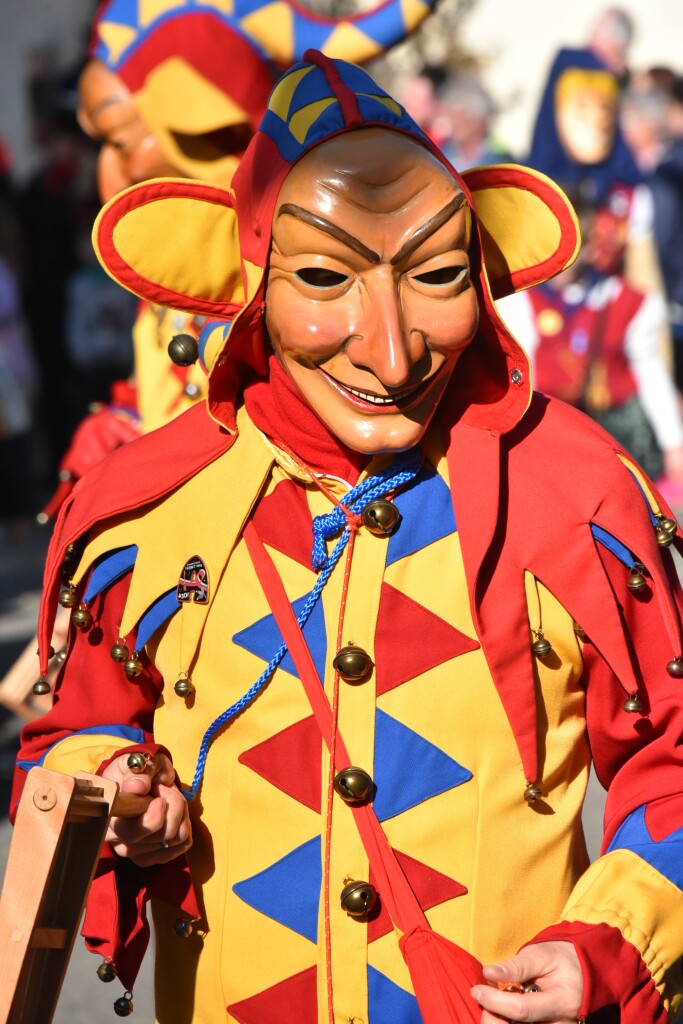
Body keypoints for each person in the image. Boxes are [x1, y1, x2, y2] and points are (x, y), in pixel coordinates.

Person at [12, 53, 683, 1024]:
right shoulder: (143, 506)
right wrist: (114, 785)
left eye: (437, 274)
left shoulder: (574, 493)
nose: (390, 346)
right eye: (325, 277)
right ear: (251, 284)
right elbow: (71, 729)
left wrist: (609, 944)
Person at [497, 188, 683, 488]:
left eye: (576, 246)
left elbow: (649, 372)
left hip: (619, 438)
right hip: (550, 437)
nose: (565, 259)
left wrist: (674, 443)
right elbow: (519, 377)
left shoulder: (622, 300)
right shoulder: (519, 302)